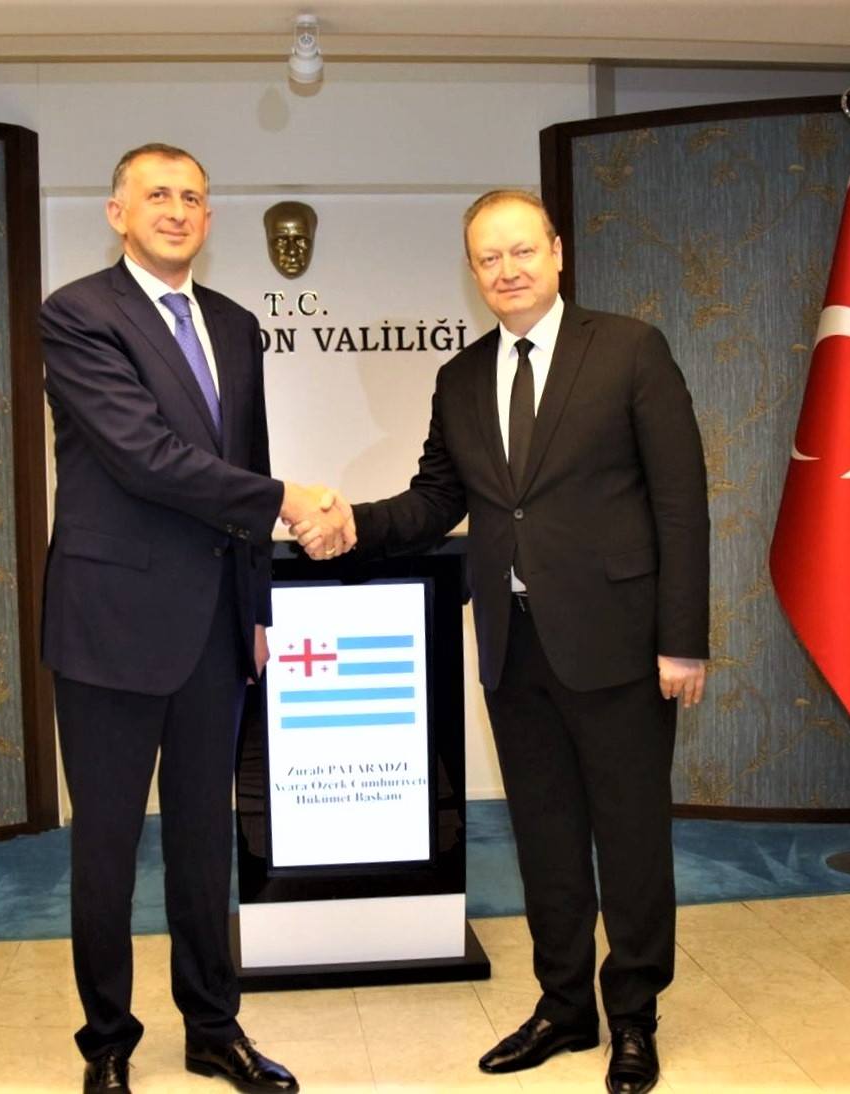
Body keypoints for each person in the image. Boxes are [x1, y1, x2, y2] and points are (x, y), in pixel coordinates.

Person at [336, 190, 709, 1094]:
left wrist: (683, 641)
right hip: (512, 643)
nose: (506, 271)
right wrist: (349, 522)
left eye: (521, 251)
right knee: (544, 834)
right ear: (471, 272)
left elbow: (679, 502)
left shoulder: (628, 349)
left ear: (556, 252)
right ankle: (563, 1007)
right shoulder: (460, 377)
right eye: (487, 258)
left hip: (620, 643)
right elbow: (436, 499)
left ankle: (633, 1016)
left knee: (629, 835)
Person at [39, 142, 350, 1094]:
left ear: (209, 219)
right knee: (106, 848)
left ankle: (213, 1028)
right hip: (108, 625)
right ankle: (107, 1044)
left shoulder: (235, 323)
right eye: (158, 195)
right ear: (117, 212)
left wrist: (255, 607)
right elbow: (144, 457)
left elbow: (242, 463)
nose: (177, 210)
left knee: (204, 840)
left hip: (216, 629)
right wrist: (290, 498)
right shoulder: (78, 315)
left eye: (193, 198)